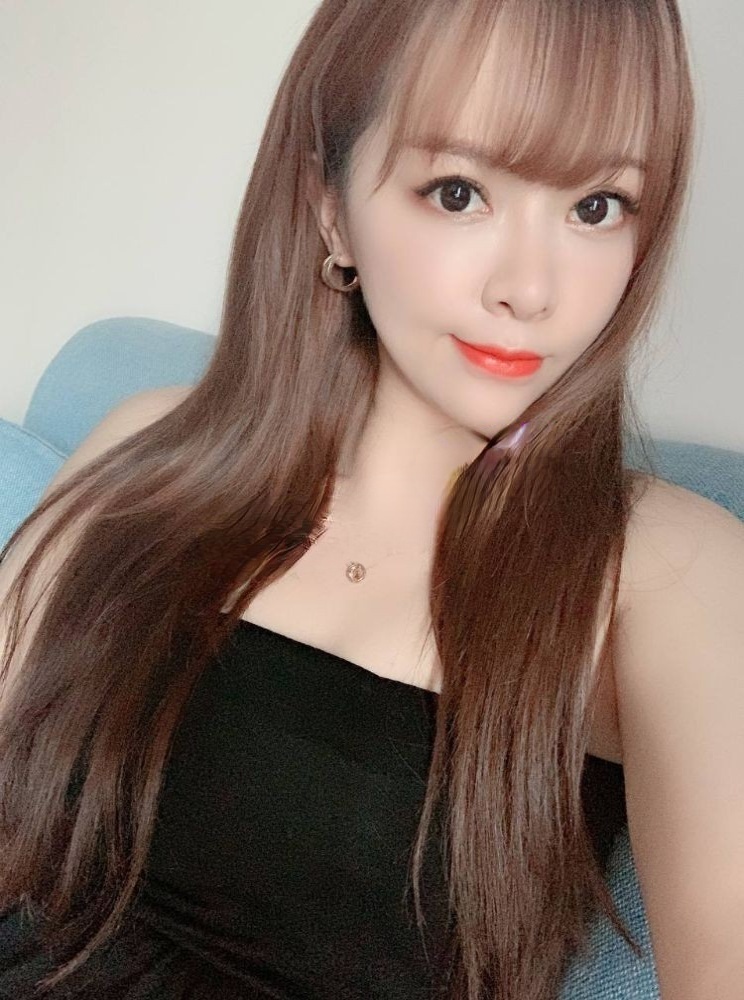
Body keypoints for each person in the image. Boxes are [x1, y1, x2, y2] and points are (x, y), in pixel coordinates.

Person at [1, 0, 743, 997]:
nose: (531, 289)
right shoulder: (151, 442)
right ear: (330, 207)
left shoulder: (666, 569)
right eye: (458, 192)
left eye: (597, 207)